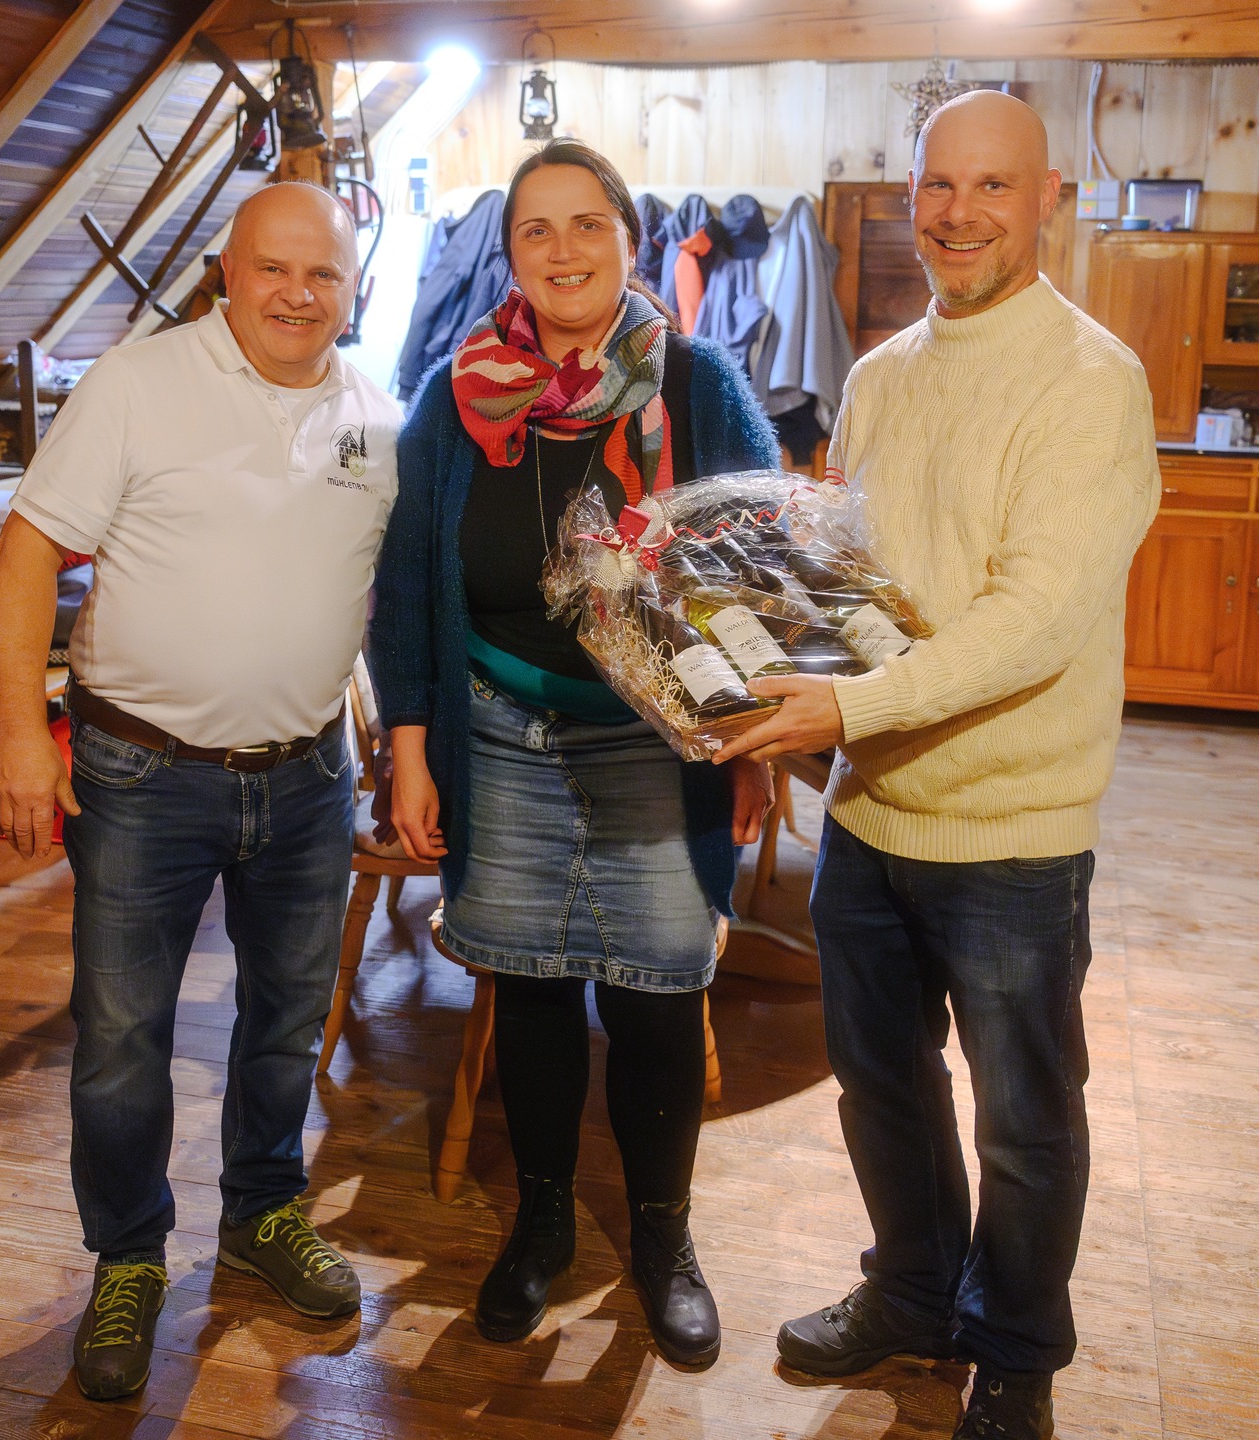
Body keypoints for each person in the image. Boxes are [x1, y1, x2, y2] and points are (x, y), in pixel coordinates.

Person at [715, 92, 1160, 1439]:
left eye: (993, 187)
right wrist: (740, 648)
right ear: (913, 197)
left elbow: (1033, 623)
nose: (961, 214)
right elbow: (854, 588)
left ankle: (1015, 1351)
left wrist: (846, 710)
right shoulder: (877, 376)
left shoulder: (1092, 382)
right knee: (885, 1088)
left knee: (1025, 1119)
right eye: (939, 186)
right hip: (872, 820)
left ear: (1047, 201)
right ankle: (912, 1293)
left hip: (1014, 832)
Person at [0, 182, 403, 1402]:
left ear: (354, 289)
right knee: (123, 1037)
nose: (297, 294)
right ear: (227, 269)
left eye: (323, 274)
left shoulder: (378, 418)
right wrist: (18, 728)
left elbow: (390, 595)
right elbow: (27, 550)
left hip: (308, 776)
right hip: (141, 775)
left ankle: (264, 1212)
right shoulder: (138, 384)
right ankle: (128, 1256)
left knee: (286, 1019)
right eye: (273, 268)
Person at [368, 139, 778, 1370]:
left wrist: (755, 738)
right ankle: (542, 1218)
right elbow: (407, 579)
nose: (562, 250)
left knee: (658, 988)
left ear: (630, 240)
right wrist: (409, 746)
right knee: (532, 981)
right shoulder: (455, 395)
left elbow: (760, 566)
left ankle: (663, 1236)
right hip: (498, 729)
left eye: (587, 224)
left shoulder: (696, 383)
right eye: (535, 230)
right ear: (508, 255)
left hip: (656, 741)